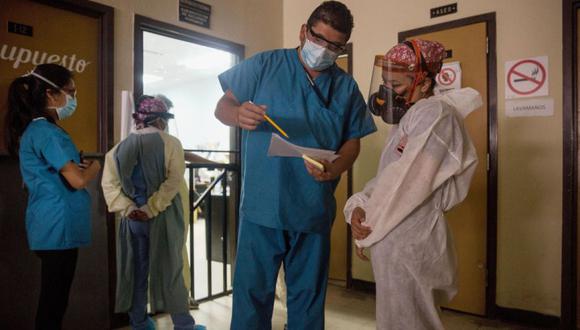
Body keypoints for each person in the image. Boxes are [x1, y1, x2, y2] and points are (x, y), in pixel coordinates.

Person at [214, 1, 376, 329]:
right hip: (263, 209)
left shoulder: (345, 87)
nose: (326, 50)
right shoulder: (265, 65)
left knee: (307, 302)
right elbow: (223, 105)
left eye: (335, 46)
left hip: (312, 209)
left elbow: (353, 141)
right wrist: (236, 114)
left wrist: (336, 168)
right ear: (304, 32)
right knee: (251, 299)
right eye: (319, 40)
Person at [344, 39, 481, 330]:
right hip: (396, 238)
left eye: (395, 85)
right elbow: (389, 177)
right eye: (384, 83)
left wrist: (368, 226)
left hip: (411, 241)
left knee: (412, 322)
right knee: (398, 320)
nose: (386, 93)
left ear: (423, 82)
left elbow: (407, 183)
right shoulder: (410, 118)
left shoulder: (434, 116)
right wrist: (358, 206)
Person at [3, 63, 101, 330]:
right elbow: (77, 179)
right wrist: (95, 167)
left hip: (50, 224)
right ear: (50, 94)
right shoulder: (45, 132)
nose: (73, 99)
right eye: (70, 92)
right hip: (58, 226)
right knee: (53, 305)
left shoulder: (37, 131)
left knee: (53, 301)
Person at [101, 95, 205, 330]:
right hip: (164, 217)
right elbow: (173, 181)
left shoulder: (118, 148)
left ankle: (139, 322)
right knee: (172, 270)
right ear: (159, 119)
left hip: (132, 221)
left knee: (136, 269)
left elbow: (109, 185)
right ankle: (183, 325)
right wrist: (151, 208)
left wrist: (130, 208)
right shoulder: (171, 143)